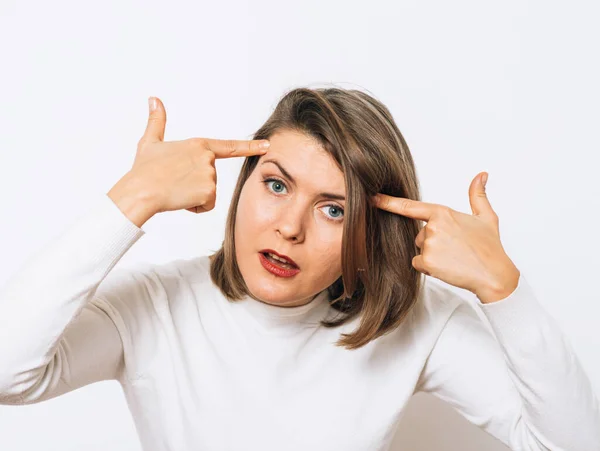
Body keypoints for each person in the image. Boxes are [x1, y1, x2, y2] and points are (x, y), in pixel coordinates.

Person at [0, 87, 598, 451]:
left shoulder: (420, 323)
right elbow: (7, 373)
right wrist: (129, 202)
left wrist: (503, 290)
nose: (290, 227)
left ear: (369, 233)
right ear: (243, 183)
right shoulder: (155, 303)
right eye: (277, 184)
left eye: (334, 209)